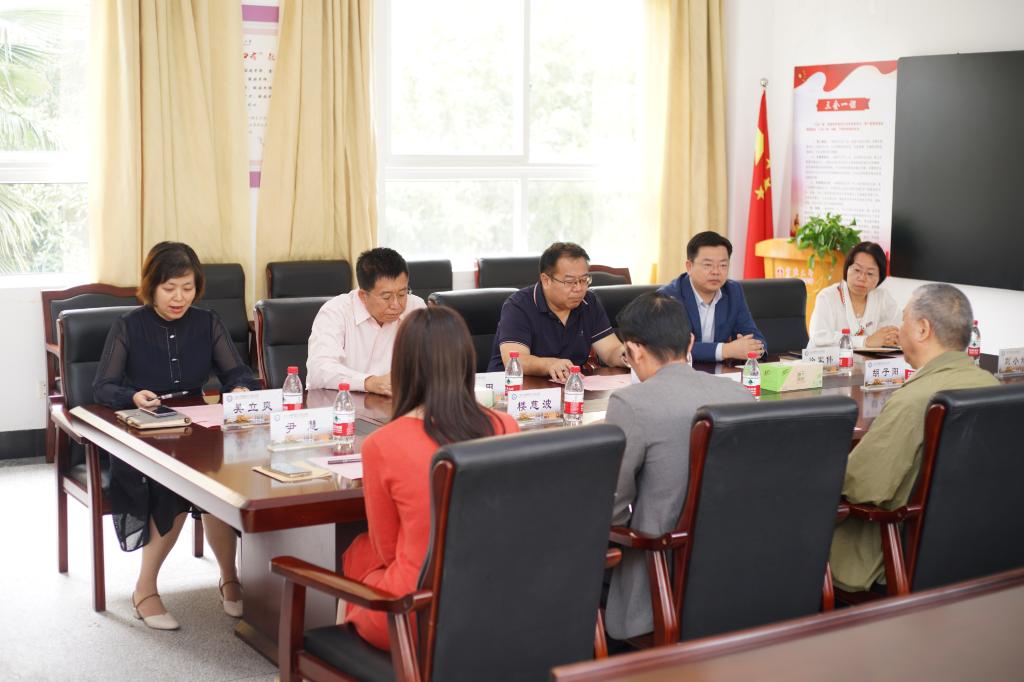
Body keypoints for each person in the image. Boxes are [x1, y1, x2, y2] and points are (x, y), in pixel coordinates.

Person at [93, 242, 261, 630]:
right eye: (169, 288)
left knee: (223, 485)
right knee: (175, 489)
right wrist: (133, 396)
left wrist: (240, 388)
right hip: (143, 435)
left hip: (196, 430)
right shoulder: (128, 326)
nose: (179, 298)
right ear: (151, 287)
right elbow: (103, 386)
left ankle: (230, 577)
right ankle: (145, 590)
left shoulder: (207, 322)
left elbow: (237, 372)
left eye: (187, 288)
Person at [339, 306, 519, 650]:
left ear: (402, 367)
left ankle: (339, 657)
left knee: (360, 554)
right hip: (494, 602)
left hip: (414, 612)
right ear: (466, 361)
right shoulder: (504, 425)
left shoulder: (382, 444)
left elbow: (387, 550)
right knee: (361, 554)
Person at [602, 293, 753, 640]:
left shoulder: (631, 403)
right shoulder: (740, 395)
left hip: (660, 576)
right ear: (690, 342)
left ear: (635, 350)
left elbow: (612, 504)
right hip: (730, 571)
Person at [829, 283, 998, 592]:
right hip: (971, 554)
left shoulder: (914, 399)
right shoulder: (990, 386)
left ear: (922, 329)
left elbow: (862, 486)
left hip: (890, 560)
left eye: (904, 319)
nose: (899, 328)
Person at [486, 242, 627, 380]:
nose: (579, 288)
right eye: (570, 282)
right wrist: (549, 364)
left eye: (584, 280)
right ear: (546, 280)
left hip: (568, 387)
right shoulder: (518, 306)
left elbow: (610, 351)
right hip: (512, 388)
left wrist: (627, 355)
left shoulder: (589, 302)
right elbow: (516, 360)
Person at [306, 247, 426, 396]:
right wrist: (369, 382)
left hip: (398, 403)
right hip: (344, 403)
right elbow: (319, 370)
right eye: (386, 297)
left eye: (402, 294)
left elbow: (432, 362)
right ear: (363, 295)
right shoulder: (335, 312)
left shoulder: (415, 308)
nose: (396, 304)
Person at [659, 231, 766, 363]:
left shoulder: (733, 291)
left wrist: (752, 348)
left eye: (723, 265)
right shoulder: (668, 298)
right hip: (681, 373)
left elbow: (756, 338)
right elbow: (672, 348)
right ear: (689, 267)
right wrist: (726, 350)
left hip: (721, 372)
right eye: (708, 265)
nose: (716, 272)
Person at [807, 241, 901, 349]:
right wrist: (865, 341)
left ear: (880, 278)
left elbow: (898, 326)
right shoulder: (827, 296)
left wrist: (892, 338)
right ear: (847, 269)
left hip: (866, 359)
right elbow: (819, 337)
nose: (862, 278)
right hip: (826, 359)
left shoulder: (882, 297)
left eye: (870, 273)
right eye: (857, 270)